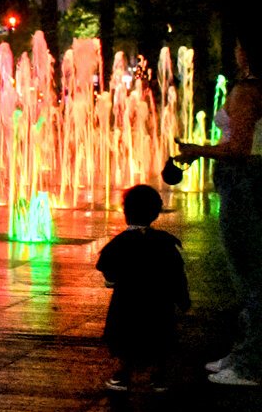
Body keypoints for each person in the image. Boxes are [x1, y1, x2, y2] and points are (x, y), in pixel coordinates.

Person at [175, 33, 262, 387]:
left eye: (240, 44)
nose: (236, 49)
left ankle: (250, 365)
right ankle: (245, 352)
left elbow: (239, 149)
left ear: (248, 53)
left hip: (245, 182)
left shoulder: (248, 90)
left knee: (251, 274)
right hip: (251, 180)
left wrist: (198, 150)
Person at [95, 185, 190, 392]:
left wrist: (112, 281)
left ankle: (123, 375)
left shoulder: (120, 243)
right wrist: (182, 299)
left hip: (127, 303)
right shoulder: (165, 242)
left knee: (125, 339)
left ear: (125, 212)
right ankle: (160, 375)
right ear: (156, 213)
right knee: (160, 338)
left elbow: (106, 267)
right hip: (159, 305)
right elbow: (177, 273)